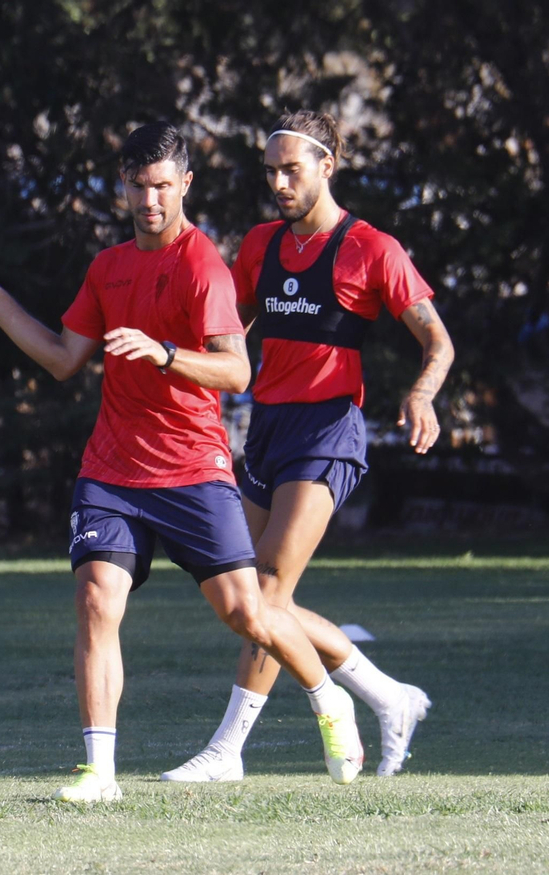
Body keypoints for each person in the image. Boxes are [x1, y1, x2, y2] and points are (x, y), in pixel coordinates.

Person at [0, 122, 365, 803]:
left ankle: (327, 700)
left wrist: (164, 352)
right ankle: (100, 773)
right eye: (137, 186)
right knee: (95, 600)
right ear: (123, 187)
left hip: (193, 468)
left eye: (162, 185)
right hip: (111, 471)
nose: (150, 200)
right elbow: (61, 357)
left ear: (185, 183)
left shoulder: (203, 265)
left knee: (247, 614)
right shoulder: (107, 268)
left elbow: (235, 368)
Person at [161, 110, 454, 783]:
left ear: (329, 164)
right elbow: (225, 335)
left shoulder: (373, 247)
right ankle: (389, 696)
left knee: (264, 589)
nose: (279, 182)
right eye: (271, 171)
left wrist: (421, 393)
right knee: (257, 602)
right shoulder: (261, 244)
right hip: (266, 427)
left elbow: (438, 340)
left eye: (291, 168)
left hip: (329, 430)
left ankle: (227, 751)